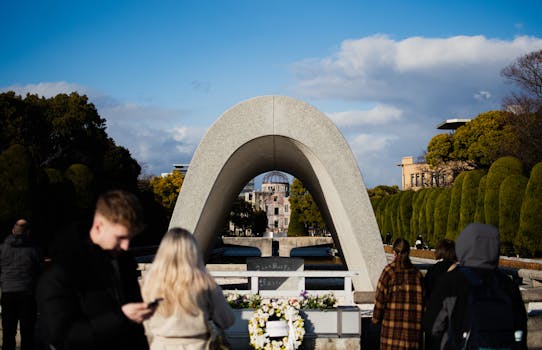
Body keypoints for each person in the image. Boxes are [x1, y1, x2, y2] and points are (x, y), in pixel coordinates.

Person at [36, 190, 155, 350]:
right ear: (98, 226)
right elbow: (60, 337)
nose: (126, 246)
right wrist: (120, 317)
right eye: (120, 237)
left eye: (130, 238)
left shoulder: (123, 262)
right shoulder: (60, 270)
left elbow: (135, 331)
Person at [423, 223, 527, 350]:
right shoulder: (507, 284)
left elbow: (433, 326)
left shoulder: (451, 281)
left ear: (463, 245)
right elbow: (520, 328)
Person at [142, 227, 235, 350]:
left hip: (160, 344)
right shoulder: (205, 283)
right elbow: (227, 319)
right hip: (197, 344)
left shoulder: (150, 283)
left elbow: (143, 324)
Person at [371, 238, 424, 349]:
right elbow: (424, 303)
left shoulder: (389, 272)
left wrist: (375, 319)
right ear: (408, 252)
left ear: (394, 252)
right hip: (412, 336)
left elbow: (379, 300)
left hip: (391, 335)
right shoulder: (418, 275)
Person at [0, 219, 42, 350]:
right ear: (28, 232)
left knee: (8, 333)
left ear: (13, 231)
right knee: (27, 334)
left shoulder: (2, 248)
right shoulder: (34, 249)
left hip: (7, 293)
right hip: (27, 294)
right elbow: (40, 268)